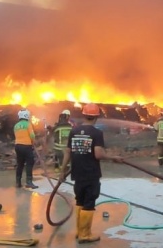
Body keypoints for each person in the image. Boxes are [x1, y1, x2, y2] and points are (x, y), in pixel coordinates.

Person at [58, 103, 123, 244]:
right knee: (89, 203)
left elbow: (67, 152)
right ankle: (85, 235)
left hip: (77, 173)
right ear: (96, 117)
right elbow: (98, 154)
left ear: (84, 115)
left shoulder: (73, 131)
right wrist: (113, 158)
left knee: (80, 201)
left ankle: (79, 231)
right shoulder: (96, 133)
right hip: (91, 174)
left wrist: (62, 171)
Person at [14, 108, 38, 189]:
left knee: (20, 164)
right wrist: (34, 142)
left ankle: (18, 182)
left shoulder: (16, 125)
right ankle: (29, 182)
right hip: (26, 146)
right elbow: (32, 135)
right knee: (29, 163)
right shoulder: (28, 124)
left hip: (17, 146)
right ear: (26, 115)